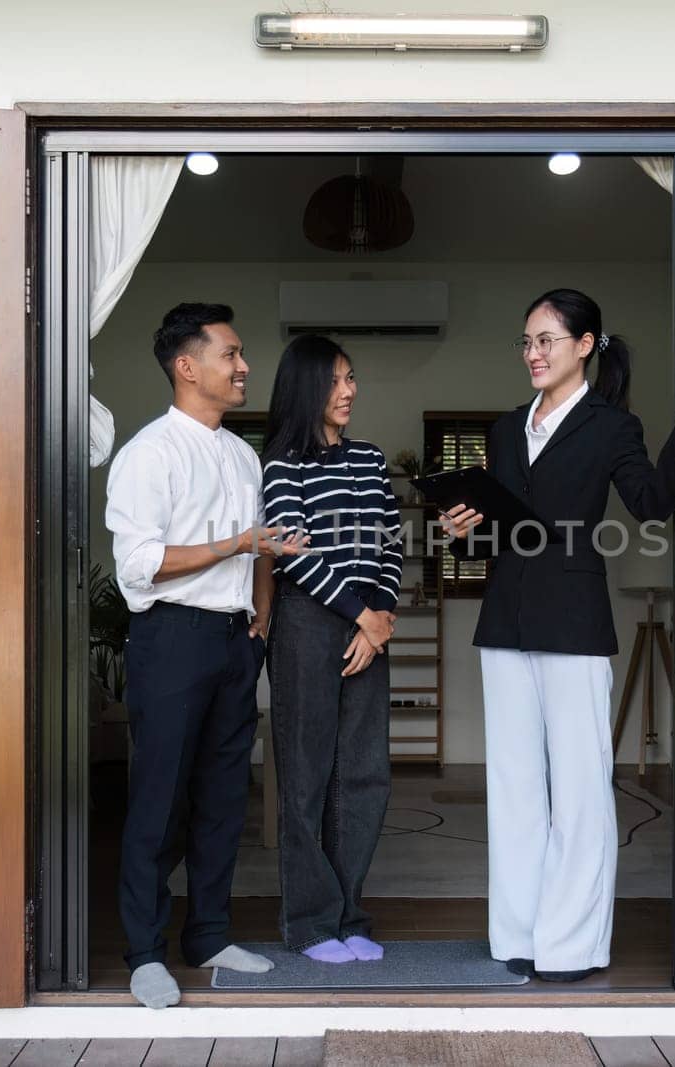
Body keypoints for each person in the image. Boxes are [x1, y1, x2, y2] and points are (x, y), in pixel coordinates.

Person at [440, 288, 675, 982]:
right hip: (505, 622)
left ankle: (571, 945)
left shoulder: (613, 427)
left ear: (584, 345)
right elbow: (494, 527)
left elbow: (651, 501)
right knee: (515, 787)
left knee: (579, 788)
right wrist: (463, 532)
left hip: (575, 622)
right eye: (525, 341)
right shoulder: (503, 427)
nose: (533, 353)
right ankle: (517, 936)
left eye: (546, 339)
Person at [105, 302, 307, 1009]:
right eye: (231, 354)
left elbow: (260, 544)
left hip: (232, 640)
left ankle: (209, 933)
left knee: (225, 795)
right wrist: (237, 545)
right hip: (171, 637)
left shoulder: (243, 454)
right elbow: (139, 563)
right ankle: (143, 951)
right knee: (159, 798)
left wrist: (260, 616)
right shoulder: (148, 453)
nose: (244, 365)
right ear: (187, 367)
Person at [260, 334, 403, 963]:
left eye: (352, 378)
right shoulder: (281, 463)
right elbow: (294, 553)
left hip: (366, 623)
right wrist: (362, 616)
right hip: (306, 625)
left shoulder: (369, 458)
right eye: (337, 380)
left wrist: (381, 615)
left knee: (365, 773)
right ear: (308, 386)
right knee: (306, 775)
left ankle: (350, 913)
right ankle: (311, 923)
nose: (349, 390)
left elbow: (392, 542)